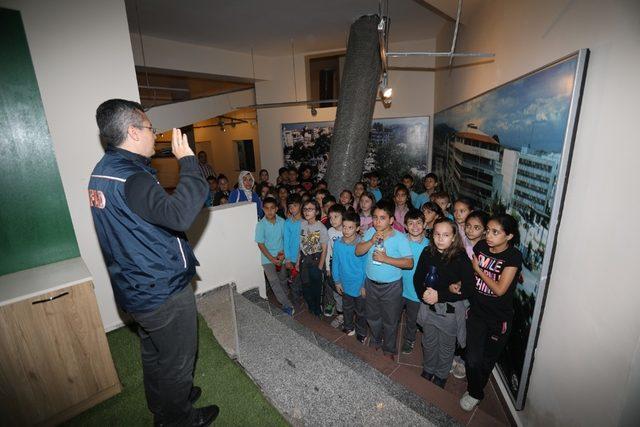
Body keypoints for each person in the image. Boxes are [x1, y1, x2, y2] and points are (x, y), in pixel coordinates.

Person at [89, 99, 218, 426]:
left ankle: (164, 403)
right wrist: (188, 162)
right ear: (133, 132)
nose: (154, 132)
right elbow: (180, 216)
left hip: (134, 288)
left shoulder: (102, 172)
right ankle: (178, 419)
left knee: (154, 353)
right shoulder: (133, 178)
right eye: (149, 127)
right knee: (177, 360)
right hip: (161, 291)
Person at [459, 214, 523, 412]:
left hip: (498, 319)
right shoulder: (481, 247)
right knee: (472, 358)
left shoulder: (513, 257)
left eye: (495, 232)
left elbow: (500, 290)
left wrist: (479, 270)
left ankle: (476, 386)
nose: (489, 235)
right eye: (488, 230)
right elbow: (471, 277)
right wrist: (460, 284)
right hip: (477, 313)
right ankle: (476, 392)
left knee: (486, 362)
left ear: (509, 236)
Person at [413, 218, 475, 389]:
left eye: (446, 235)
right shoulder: (427, 252)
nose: (440, 238)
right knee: (428, 341)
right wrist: (423, 294)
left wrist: (440, 296)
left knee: (446, 346)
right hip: (429, 307)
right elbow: (418, 278)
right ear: (432, 235)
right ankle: (428, 369)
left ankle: (441, 374)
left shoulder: (461, 258)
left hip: (449, 311)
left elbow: (469, 288)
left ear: (454, 237)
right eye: (437, 234)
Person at [355, 200, 413, 357]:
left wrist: (386, 259)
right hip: (371, 283)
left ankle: (388, 348)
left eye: (382, 218)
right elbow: (358, 251)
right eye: (375, 217)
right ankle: (375, 339)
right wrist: (371, 240)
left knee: (390, 320)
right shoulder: (369, 233)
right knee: (372, 316)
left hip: (391, 286)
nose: (377, 221)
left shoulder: (400, 238)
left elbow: (409, 262)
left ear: (391, 220)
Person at [255, 197, 294, 316]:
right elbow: (260, 244)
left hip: (281, 256)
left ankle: (285, 295)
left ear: (276, 209)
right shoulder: (261, 225)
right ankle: (287, 305)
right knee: (274, 281)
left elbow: (285, 239)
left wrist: (282, 255)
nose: (269, 211)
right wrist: (271, 259)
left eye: (272, 208)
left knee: (282, 279)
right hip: (267, 258)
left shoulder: (282, 222)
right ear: (263, 209)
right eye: (266, 208)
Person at [332, 211, 367, 343]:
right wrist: (337, 281)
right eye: (344, 227)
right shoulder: (338, 244)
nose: (346, 230)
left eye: (350, 227)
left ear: (357, 228)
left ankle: (361, 332)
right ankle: (348, 327)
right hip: (344, 283)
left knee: (361, 311)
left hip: (359, 284)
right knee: (347, 308)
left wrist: (364, 285)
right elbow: (335, 263)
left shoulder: (361, 245)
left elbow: (365, 267)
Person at [399, 209, 429, 354]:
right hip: (398, 287)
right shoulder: (400, 240)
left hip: (416, 292)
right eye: (411, 223)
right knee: (393, 314)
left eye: (418, 223)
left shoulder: (430, 245)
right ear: (405, 225)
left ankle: (409, 339)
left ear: (425, 225)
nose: (415, 226)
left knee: (412, 319)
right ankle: (389, 335)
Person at [296, 199, 328, 317]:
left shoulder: (321, 228)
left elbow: (324, 249)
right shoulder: (302, 224)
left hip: (316, 259)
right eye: (305, 209)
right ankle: (310, 305)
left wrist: (320, 265)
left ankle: (317, 308)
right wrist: (298, 261)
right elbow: (300, 244)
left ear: (317, 211)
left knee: (316, 285)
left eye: (310, 209)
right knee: (305, 284)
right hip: (304, 259)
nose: (307, 212)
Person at [324, 204, 346, 325]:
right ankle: (341, 314)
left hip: (346, 266)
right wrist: (328, 267)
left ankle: (349, 314)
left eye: (336, 216)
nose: (332, 220)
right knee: (336, 290)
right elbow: (328, 250)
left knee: (347, 291)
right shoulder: (330, 231)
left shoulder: (348, 230)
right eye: (330, 217)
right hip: (334, 264)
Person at [284, 193, 304, 304]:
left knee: (303, 281)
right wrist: (287, 259)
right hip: (291, 257)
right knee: (294, 282)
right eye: (290, 207)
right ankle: (296, 303)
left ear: (300, 205)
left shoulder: (306, 221)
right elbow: (286, 242)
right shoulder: (287, 223)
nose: (292, 209)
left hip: (303, 257)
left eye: (295, 206)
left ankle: (302, 298)